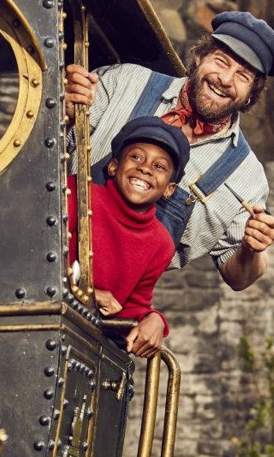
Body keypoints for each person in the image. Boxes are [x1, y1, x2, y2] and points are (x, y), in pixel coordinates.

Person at [65, 10, 274, 354]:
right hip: (46, 272)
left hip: (106, 327)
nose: (226, 79)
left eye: (243, 76)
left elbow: (238, 277)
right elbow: (49, 158)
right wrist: (62, 109)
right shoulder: (124, 82)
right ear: (198, 57)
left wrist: (252, 250)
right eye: (221, 61)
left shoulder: (247, 178)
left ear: (251, 95)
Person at [67, 116, 190, 358]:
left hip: (84, 349)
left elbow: (133, 307)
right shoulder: (76, 193)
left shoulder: (161, 244)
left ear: (169, 189)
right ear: (114, 166)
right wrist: (84, 292)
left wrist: (154, 318)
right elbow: (34, 259)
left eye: (159, 166)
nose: (145, 168)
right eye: (136, 157)